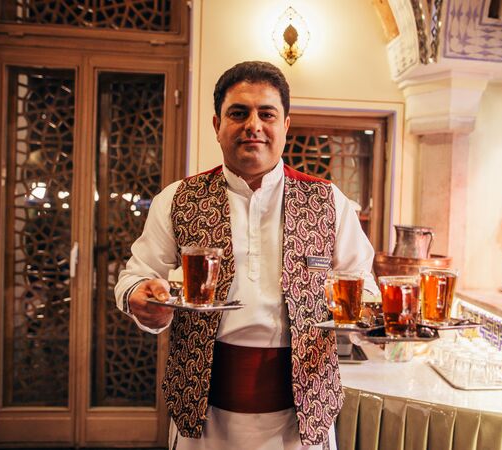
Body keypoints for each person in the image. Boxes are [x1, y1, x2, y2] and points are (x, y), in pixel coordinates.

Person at [115, 61, 378, 450]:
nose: (253, 124)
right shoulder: (178, 199)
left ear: (286, 125)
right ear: (217, 125)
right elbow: (136, 276)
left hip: (301, 421)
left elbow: (363, 285)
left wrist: (373, 320)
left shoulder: (328, 202)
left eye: (266, 114)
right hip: (204, 420)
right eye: (238, 113)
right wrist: (141, 297)